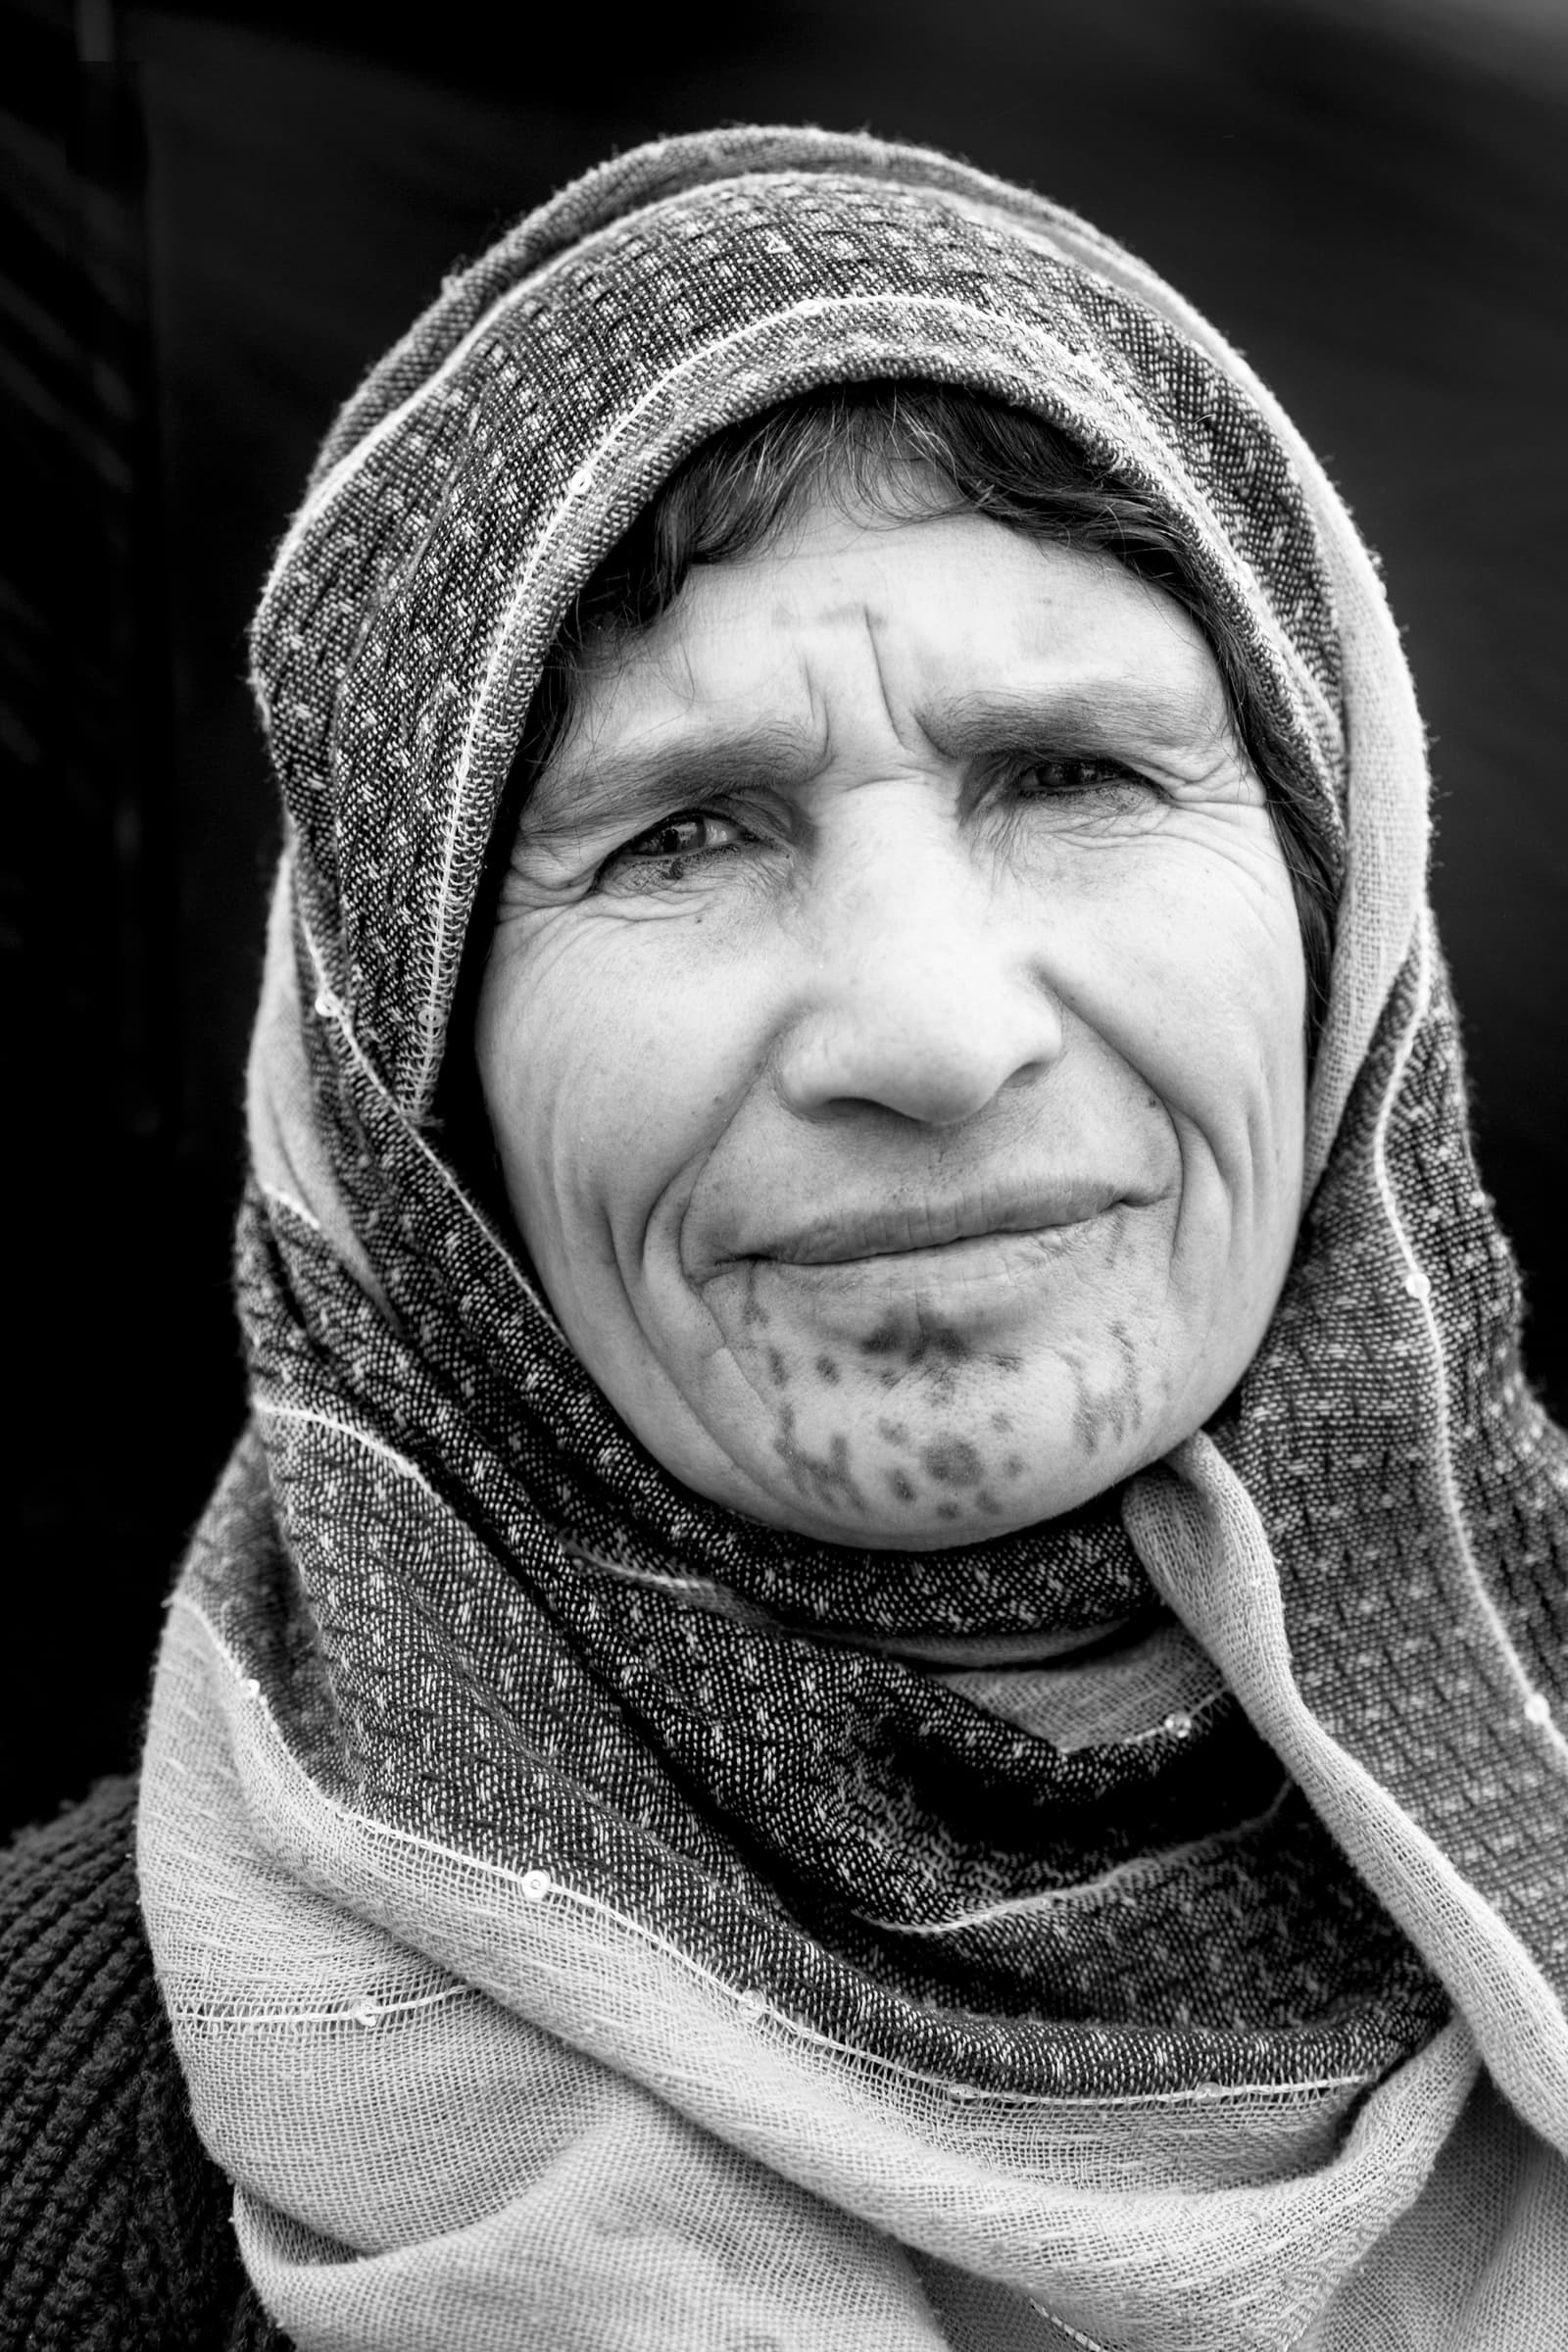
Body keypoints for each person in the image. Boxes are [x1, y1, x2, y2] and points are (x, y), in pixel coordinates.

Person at [4, 124, 1566, 2351]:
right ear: (413, 1100)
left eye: (1074, 775)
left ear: (1343, 926)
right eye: (678, 833)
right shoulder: (40, 2151)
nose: (929, 1034)